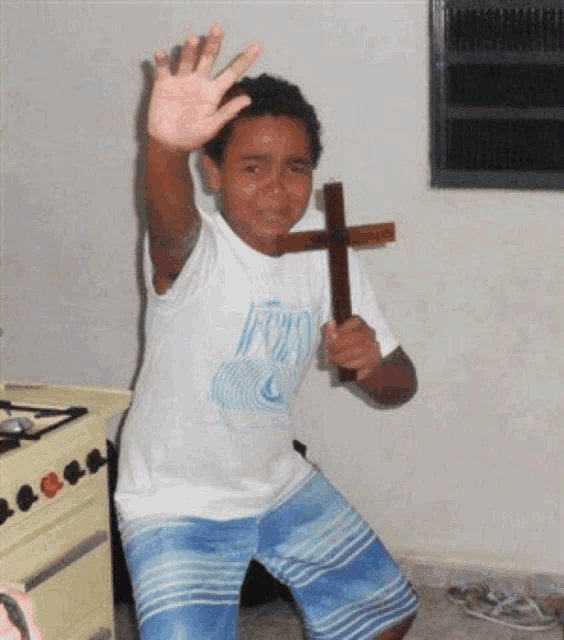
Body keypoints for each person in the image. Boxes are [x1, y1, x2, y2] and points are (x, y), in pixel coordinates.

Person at [115, 24, 420, 640]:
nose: (278, 190)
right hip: (176, 502)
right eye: (253, 167)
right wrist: (163, 147)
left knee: (387, 614)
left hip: (275, 479)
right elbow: (167, 217)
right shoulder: (195, 252)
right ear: (214, 172)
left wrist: (370, 366)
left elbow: (401, 381)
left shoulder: (325, 250)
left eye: (295, 168)